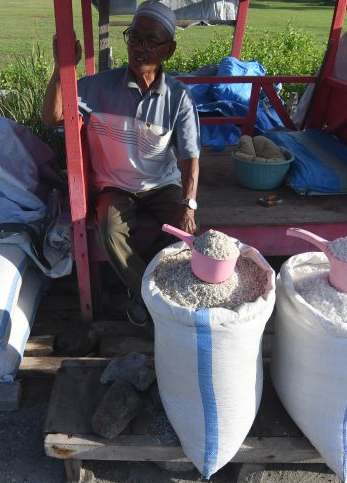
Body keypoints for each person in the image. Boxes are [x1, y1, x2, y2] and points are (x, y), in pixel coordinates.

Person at [42, 0, 200, 327]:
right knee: (109, 230)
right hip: (115, 187)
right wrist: (62, 68)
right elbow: (52, 116)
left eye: (150, 41)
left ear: (168, 50)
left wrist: (189, 203)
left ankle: (139, 287)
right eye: (133, 37)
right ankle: (154, 299)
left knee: (185, 233)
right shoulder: (98, 88)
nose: (138, 48)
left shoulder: (178, 97)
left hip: (161, 186)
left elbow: (189, 157)